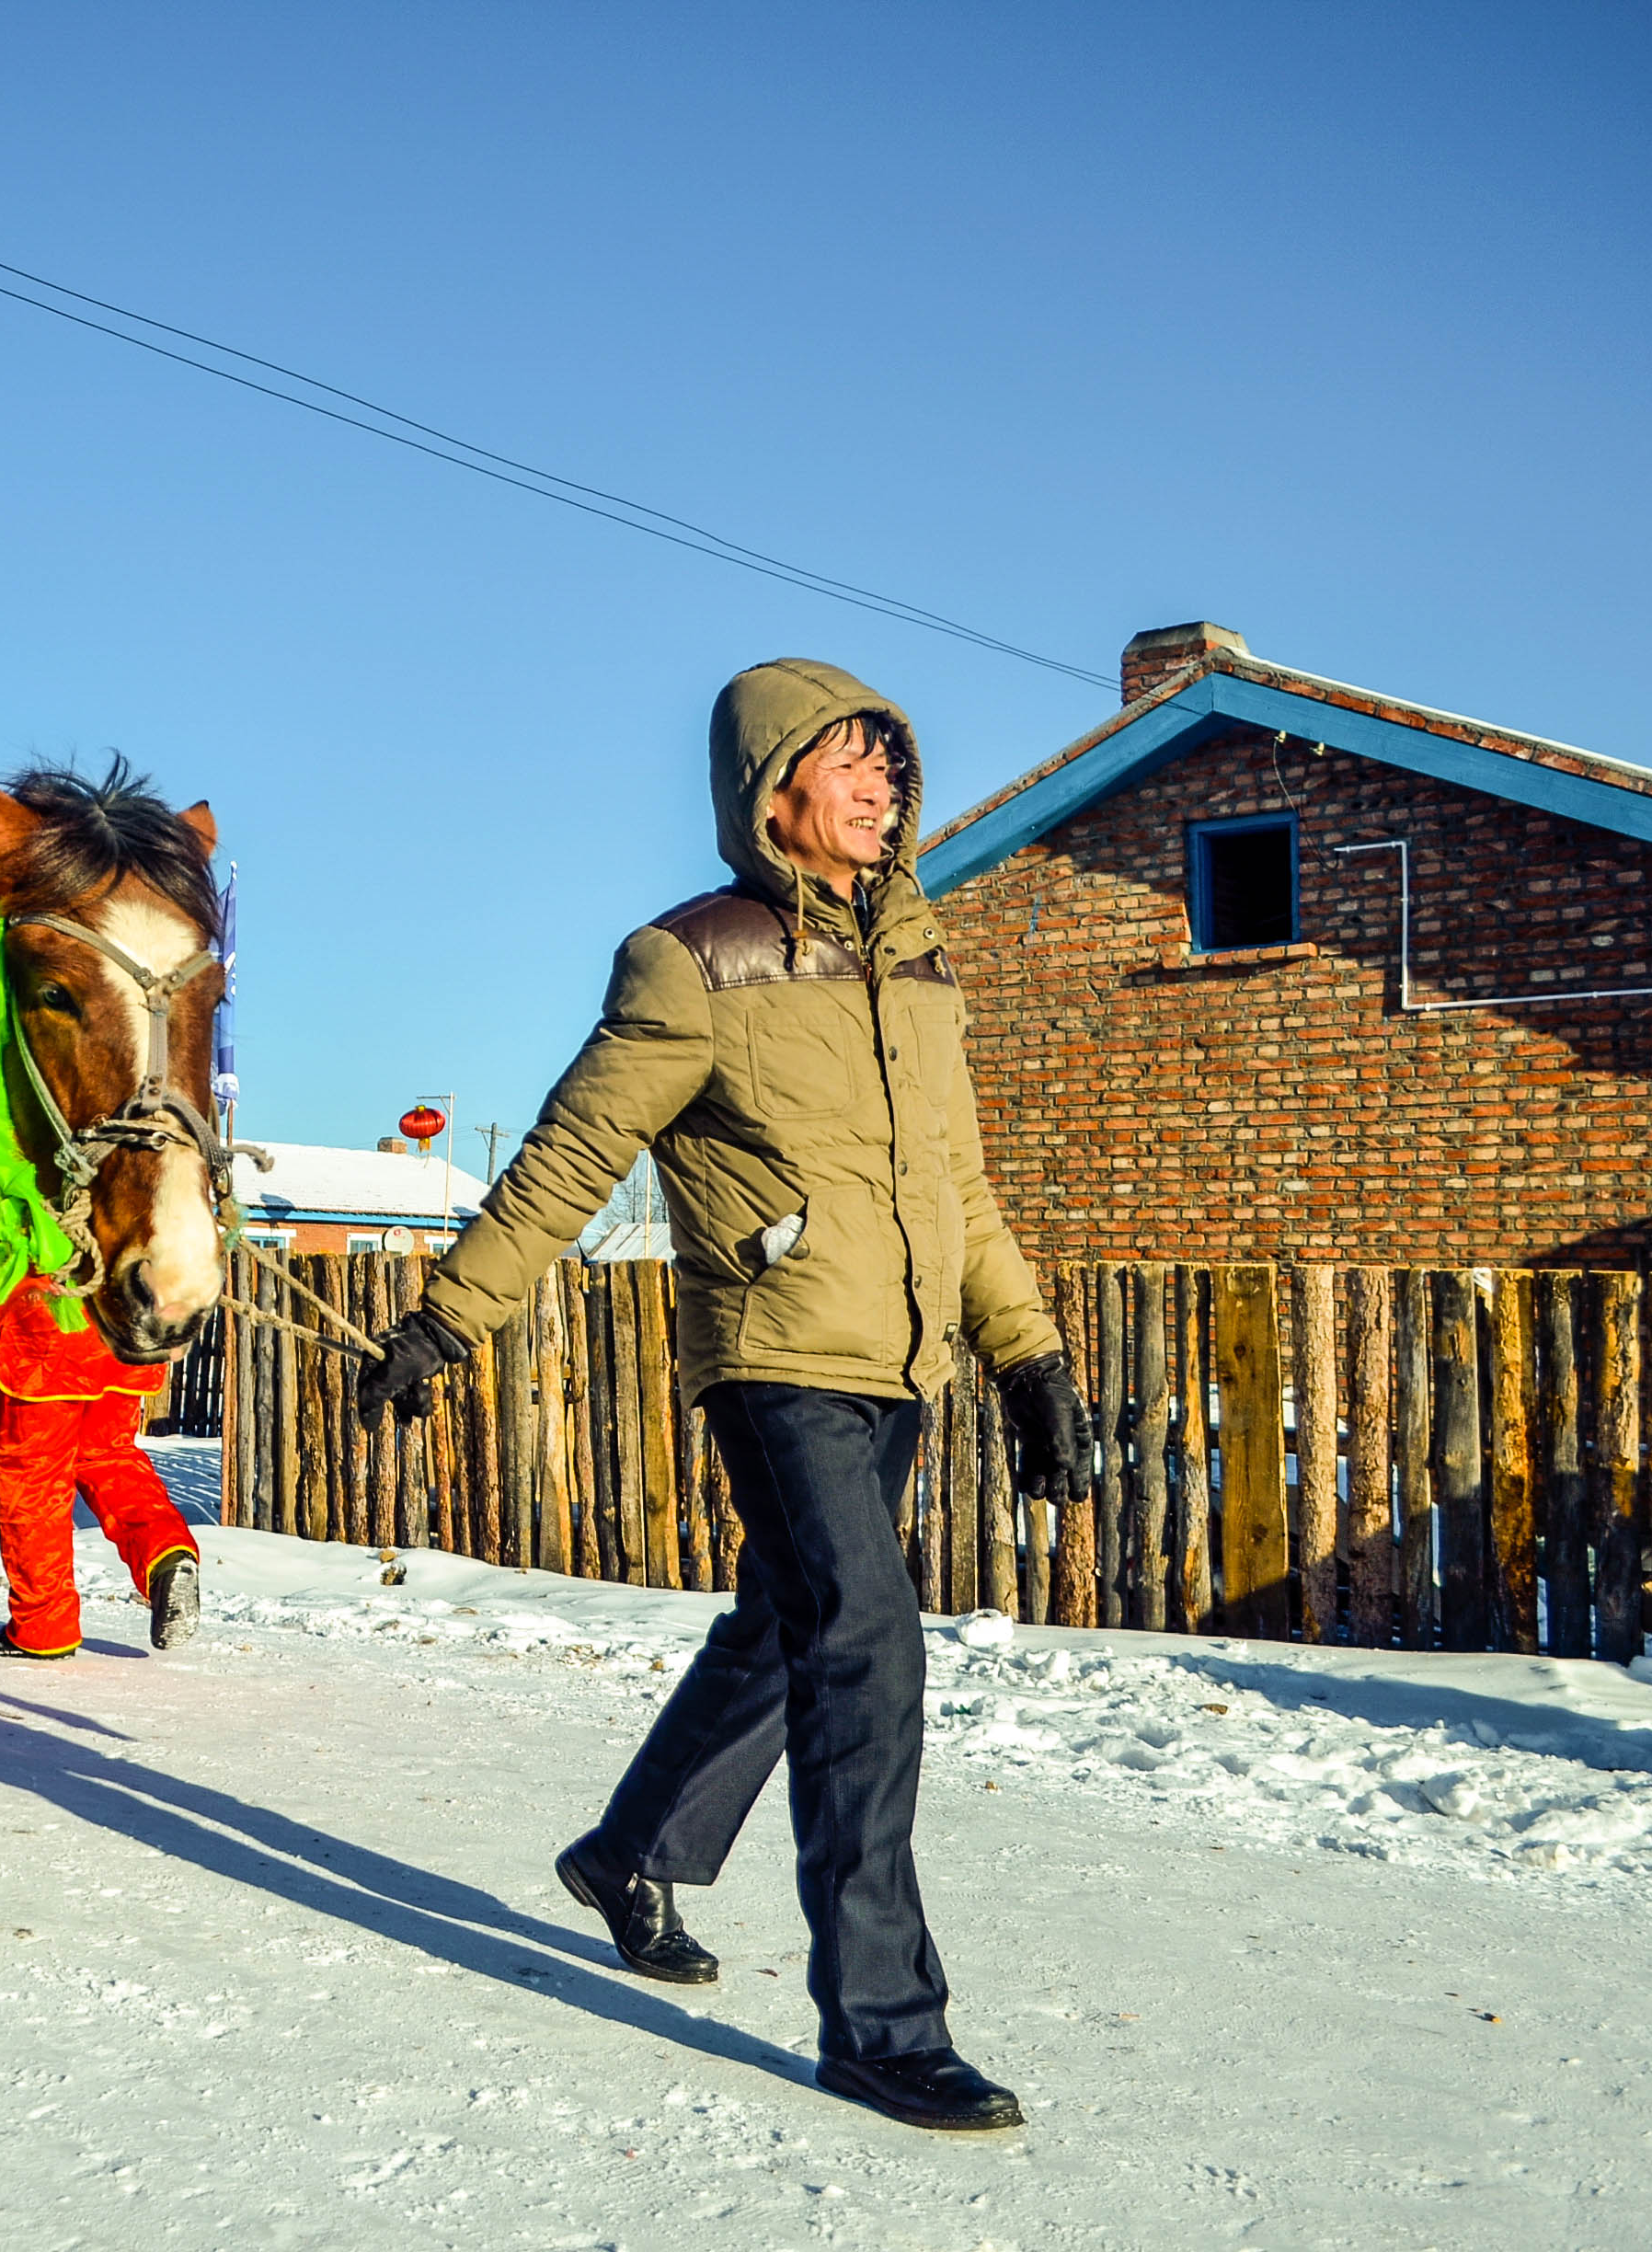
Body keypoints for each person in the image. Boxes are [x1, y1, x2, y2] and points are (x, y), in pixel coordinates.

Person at [357, 660, 1092, 2136]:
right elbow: (572, 1156)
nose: (886, 780)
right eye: (852, 757)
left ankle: (631, 1852)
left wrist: (1030, 1357)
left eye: (894, 757)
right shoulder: (691, 961)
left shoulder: (921, 970)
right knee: (867, 1643)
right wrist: (450, 1317)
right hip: (773, 1356)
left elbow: (958, 1188)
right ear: (774, 790)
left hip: (896, 1363)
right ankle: (883, 2023)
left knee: (789, 1625)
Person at [0, 1268, 201, 1660]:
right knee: (110, 1457)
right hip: (125, 1340)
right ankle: (166, 1556)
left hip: (44, 1348)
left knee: (33, 1481)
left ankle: (43, 1628)